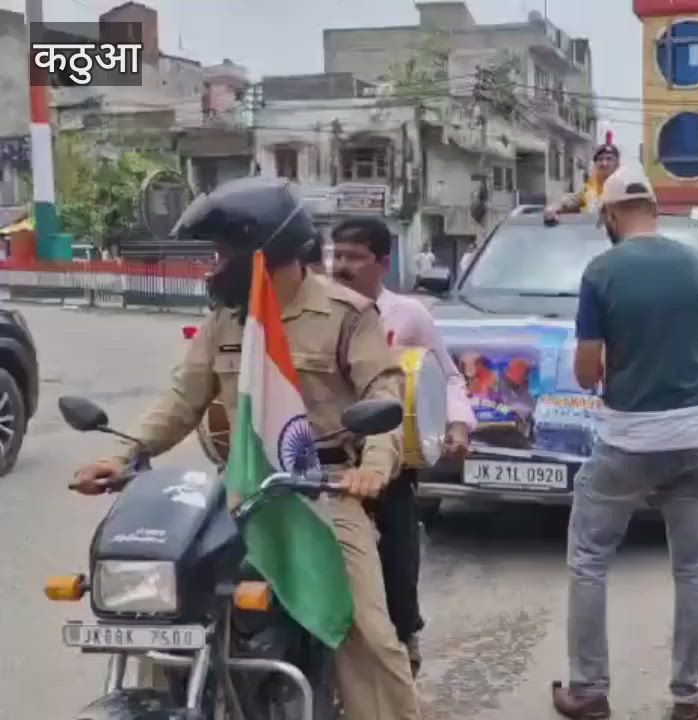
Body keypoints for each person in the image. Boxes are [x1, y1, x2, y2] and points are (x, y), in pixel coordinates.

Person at [70, 177, 422, 719]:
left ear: (263, 250)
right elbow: (181, 399)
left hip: (323, 493)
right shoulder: (225, 321)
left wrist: (372, 469)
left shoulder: (348, 314)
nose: (213, 267)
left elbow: (383, 394)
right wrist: (124, 453)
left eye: (222, 253)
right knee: (164, 613)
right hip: (243, 491)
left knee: (370, 636)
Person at [552, 166, 698, 720]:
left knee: (590, 559)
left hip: (628, 440)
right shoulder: (697, 266)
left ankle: (589, 689)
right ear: (653, 207)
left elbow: (585, 371)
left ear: (611, 215)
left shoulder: (602, 271)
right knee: (691, 568)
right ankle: (690, 693)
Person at [330, 215, 476, 675]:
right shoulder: (319, 312)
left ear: (383, 264)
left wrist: (457, 425)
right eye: (337, 256)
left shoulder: (407, 314)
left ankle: (404, 631)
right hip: (325, 453)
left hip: (387, 450)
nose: (341, 266)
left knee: (398, 538)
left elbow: (448, 375)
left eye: (355, 257)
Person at [543, 142, 621, 222]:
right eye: (600, 159)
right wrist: (551, 209)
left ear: (617, 163)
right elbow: (565, 202)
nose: (604, 163)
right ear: (596, 164)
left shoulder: (626, 187)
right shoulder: (590, 189)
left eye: (609, 159)